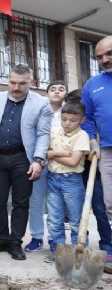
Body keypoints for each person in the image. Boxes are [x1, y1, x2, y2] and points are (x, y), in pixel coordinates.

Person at [0, 64, 52, 261]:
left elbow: (43, 134)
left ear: (31, 83)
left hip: (23, 159)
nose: (16, 87)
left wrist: (38, 160)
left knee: (20, 203)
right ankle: (1, 238)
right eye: (12, 82)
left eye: (22, 83)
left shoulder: (42, 104)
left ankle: (16, 242)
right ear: (8, 81)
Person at [80, 35, 112, 272]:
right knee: (109, 202)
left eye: (109, 54)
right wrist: (91, 139)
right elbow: (87, 117)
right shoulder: (93, 84)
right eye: (99, 56)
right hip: (107, 149)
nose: (104, 59)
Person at [25, 80, 67, 252]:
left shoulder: (69, 112)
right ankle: (36, 236)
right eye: (53, 89)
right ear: (47, 92)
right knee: (35, 201)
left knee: (56, 203)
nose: (56, 92)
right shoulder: (40, 109)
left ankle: (55, 238)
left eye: (61, 89)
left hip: (63, 164)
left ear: (66, 93)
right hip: (40, 162)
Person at [44, 101, 89, 263]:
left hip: (72, 181)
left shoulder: (81, 136)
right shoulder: (54, 132)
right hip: (53, 179)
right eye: (64, 119)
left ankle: (80, 253)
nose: (67, 123)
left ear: (82, 120)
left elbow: (74, 162)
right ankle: (58, 252)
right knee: (54, 219)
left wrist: (52, 154)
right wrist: (62, 152)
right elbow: (44, 152)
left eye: (72, 120)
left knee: (76, 221)